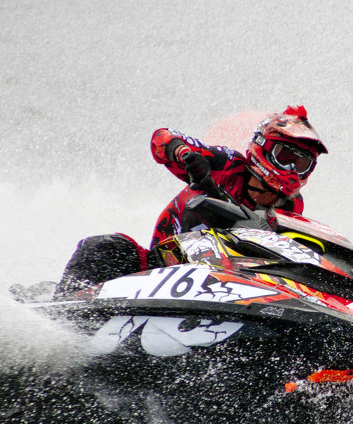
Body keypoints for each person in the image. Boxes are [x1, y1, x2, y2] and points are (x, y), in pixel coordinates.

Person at [52, 106, 328, 298]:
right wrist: (185, 156)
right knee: (106, 247)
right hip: (159, 268)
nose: (292, 170)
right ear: (264, 148)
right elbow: (161, 137)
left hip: (227, 283)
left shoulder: (292, 207)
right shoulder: (225, 164)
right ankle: (61, 312)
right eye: (286, 157)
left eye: (302, 163)